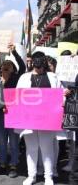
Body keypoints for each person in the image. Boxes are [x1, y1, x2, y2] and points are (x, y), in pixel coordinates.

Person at [16, 51, 59, 185]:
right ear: (32, 62)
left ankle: (48, 176)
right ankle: (31, 176)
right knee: (31, 148)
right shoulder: (24, 77)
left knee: (47, 148)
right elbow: (17, 95)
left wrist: (64, 95)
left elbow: (59, 94)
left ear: (45, 62)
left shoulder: (53, 76)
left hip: (47, 118)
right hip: (29, 119)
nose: (38, 64)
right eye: (36, 61)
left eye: (41, 61)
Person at [0, 44, 26, 178]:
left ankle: (13, 164)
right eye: (4, 65)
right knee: (2, 142)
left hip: (14, 115)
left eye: (10, 65)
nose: (7, 66)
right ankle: (2, 163)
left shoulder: (16, 79)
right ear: (1, 68)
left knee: (14, 142)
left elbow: (23, 66)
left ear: (13, 69)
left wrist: (13, 52)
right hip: (0, 116)